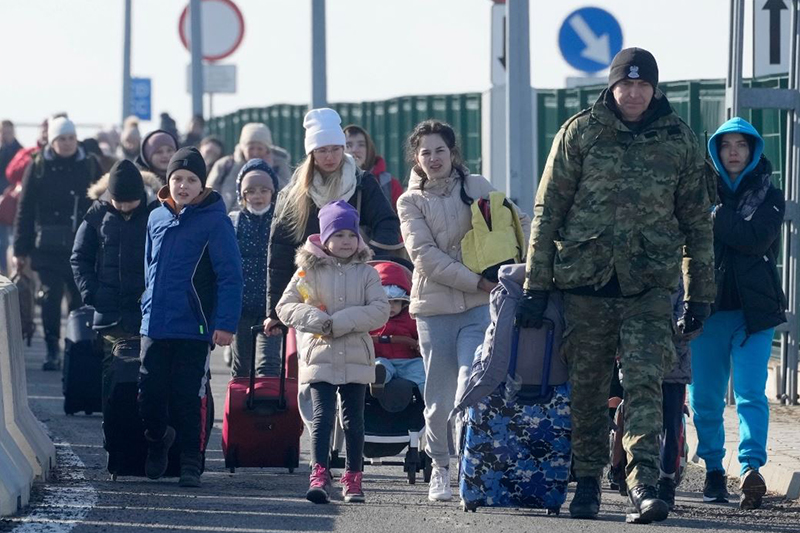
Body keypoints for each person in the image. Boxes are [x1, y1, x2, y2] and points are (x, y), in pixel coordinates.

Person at [515, 48, 714, 524]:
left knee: (645, 380)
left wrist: (701, 293)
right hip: (586, 283)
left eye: (644, 86)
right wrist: (535, 285)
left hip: (648, 285)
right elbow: (548, 212)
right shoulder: (580, 132)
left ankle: (643, 482)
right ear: (612, 86)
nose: (634, 93)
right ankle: (586, 482)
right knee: (587, 390)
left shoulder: (679, 140)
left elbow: (697, 224)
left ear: (656, 89)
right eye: (626, 84)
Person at [397, 119, 530, 502]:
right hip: (434, 310)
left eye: (440, 150)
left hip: (478, 307)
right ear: (416, 159)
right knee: (437, 399)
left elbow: (518, 224)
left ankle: (471, 467)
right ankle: (439, 466)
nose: (434, 158)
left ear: (453, 153)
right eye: (426, 153)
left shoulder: (478, 187)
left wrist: (531, 260)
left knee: (470, 385)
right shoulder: (409, 201)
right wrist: (478, 281)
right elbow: (425, 257)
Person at [688, 117, 786, 511]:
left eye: (741, 146)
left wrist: (715, 216)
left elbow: (755, 238)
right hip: (706, 311)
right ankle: (714, 467)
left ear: (753, 151)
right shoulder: (694, 193)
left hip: (753, 313)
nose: (733, 152)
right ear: (715, 151)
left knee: (750, 394)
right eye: (725, 145)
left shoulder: (770, 195)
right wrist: (717, 215)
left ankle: (750, 470)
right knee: (706, 398)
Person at [138, 147, 242, 488]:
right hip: (155, 324)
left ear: (202, 184)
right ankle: (156, 440)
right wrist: (145, 306)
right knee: (149, 394)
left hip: (194, 327)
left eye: (191, 179)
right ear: (168, 182)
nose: (183, 185)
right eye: (177, 178)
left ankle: (190, 462)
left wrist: (225, 324)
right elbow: (149, 268)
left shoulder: (215, 221)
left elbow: (230, 276)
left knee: (188, 396)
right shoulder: (156, 217)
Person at [276, 200, 390, 504]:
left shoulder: (367, 273)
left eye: (351, 235)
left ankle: (353, 477)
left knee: (354, 419)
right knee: (322, 416)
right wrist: (317, 321)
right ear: (324, 238)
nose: (346, 242)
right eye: (338, 235)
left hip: (355, 354)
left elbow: (380, 310)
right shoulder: (307, 272)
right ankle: (320, 473)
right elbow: (285, 306)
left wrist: (339, 322)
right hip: (320, 354)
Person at [13, 116, 103, 370]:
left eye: (71, 138)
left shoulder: (88, 163)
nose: (67, 143)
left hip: (81, 244)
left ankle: (75, 347)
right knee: (50, 298)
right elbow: (25, 208)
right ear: (52, 141)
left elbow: (102, 202)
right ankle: (52, 348)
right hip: (46, 248)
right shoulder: (38, 165)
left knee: (78, 299)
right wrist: (20, 249)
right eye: (61, 139)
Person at [70, 159, 157, 399]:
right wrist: (92, 293)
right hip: (110, 312)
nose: (125, 207)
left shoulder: (157, 213)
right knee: (113, 372)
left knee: (148, 373)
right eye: (119, 202)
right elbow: (80, 257)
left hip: (147, 312)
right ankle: (114, 426)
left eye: (131, 202)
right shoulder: (98, 214)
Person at [229, 158, 281, 378]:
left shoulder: (281, 222)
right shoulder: (234, 221)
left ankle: (268, 409)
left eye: (263, 190)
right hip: (241, 307)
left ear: (273, 192)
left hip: (272, 308)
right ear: (242, 195)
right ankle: (240, 410)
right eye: (251, 191)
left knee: (268, 365)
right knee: (242, 366)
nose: (257, 196)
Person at [368, 260, 424, 396]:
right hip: (381, 358)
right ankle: (377, 380)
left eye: (396, 302)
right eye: (387, 303)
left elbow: (420, 335)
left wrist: (420, 344)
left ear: (404, 303)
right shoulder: (370, 320)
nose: (391, 307)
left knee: (422, 371)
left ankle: (431, 403)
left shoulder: (410, 319)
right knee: (378, 366)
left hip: (406, 360)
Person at [207, 123, 292, 211]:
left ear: (267, 149)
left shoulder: (279, 165)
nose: (255, 153)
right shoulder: (226, 165)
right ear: (243, 148)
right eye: (251, 148)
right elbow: (209, 194)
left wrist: (269, 170)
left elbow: (287, 194)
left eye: (260, 149)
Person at [344, 125, 403, 211]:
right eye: (348, 145)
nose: (354, 150)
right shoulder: (330, 181)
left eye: (361, 145)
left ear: (369, 149)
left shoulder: (389, 185)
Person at [0, 120, 22, 275]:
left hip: (12, 203)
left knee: (9, 241)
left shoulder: (19, 152)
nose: (4, 135)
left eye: (7, 132)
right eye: (2, 132)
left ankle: (9, 274)